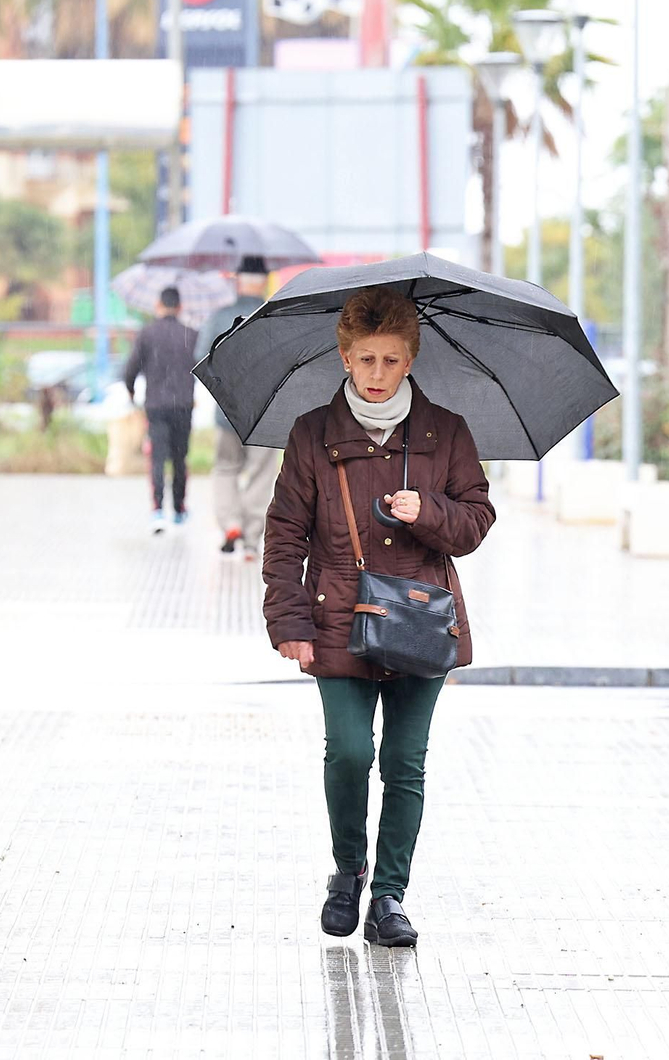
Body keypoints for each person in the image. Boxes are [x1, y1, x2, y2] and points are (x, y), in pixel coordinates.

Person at [262, 286, 495, 948]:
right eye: (365, 359)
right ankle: (347, 871)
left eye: (391, 360)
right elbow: (285, 536)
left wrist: (432, 513)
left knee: (404, 760)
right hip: (337, 619)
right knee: (349, 752)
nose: (377, 373)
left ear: (410, 359)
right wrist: (289, 623)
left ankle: (389, 895)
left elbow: (476, 521)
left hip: (422, 621)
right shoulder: (312, 433)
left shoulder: (445, 431)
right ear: (344, 357)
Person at [197, 256, 281, 559]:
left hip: (226, 410)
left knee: (225, 468)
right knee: (261, 473)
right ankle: (250, 538)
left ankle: (230, 523)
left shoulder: (220, 317)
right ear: (263, 280)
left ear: (238, 280)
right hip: (265, 411)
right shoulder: (274, 315)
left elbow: (200, 357)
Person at [125, 286, 198, 533]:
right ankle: (179, 509)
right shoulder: (191, 334)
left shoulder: (147, 334)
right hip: (183, 405)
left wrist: (131, 391)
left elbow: (130, 369)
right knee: (180, 458)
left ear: (159, 305)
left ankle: (157, 511)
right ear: (180, 307)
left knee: (157, 458)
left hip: (155, 406)